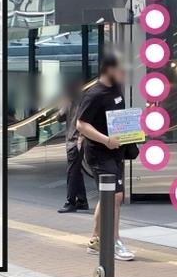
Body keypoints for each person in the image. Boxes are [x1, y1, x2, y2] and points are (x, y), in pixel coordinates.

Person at [76, 52, 135, 261]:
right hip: (99, 153)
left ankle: (96, 240)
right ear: (109, 69)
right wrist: (106, 140)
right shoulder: (94, 94)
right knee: (114, 196)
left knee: (109, 195)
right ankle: (113, 241)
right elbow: (81, 124)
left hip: (116, 151)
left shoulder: (116, 89)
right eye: (120, 70)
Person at [57, 80, 89, 213]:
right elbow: (59, 118)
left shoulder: (80, 102)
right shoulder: (70, 102)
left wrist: (81, 137)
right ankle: (82, 200)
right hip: (71, 141)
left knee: (72, 172)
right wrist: (62, 106)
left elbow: (85, 121)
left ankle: (70, 202)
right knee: (76, 171)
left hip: (76, 142)